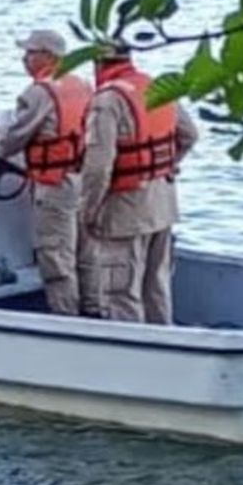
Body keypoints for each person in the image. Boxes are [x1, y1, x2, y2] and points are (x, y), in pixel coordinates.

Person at [78, 43, 198, 324]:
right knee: (157, 285)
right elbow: (189, 134)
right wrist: (167, 164)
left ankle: (131, 355)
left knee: (121, 291)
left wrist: (89, 210)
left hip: (125, 210)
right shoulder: (157, 87)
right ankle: (166, 345)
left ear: (98, 65)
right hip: (163, 204)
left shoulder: (108, 100)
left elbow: (98, 166)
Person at [0, 29, 93, 316]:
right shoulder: (82, 85)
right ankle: (95, 310)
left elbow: (15, 136)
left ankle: (66, 320)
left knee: (56, 255)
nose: (24, 58)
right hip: (84, 179)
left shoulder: (39, 93)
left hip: (55, 185)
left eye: (30, 52)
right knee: (86, 252)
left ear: (48, 56)